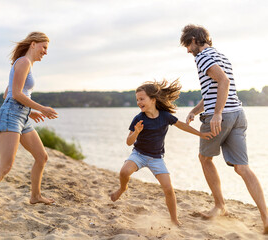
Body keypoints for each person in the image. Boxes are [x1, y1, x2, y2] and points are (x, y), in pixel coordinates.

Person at [180, 24, 268, 234]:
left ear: (194, 40)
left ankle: (220, 205)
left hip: (221, 117)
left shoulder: (202, 57)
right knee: (242, 167)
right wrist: (195, 109)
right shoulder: (220, 55)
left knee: (205, 158)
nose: (187, 50)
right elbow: (215, 88)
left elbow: (224, 81)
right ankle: (265, 217)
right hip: (238, 114)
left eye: (187, 45)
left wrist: (217, 113)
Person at [0, 32, 58, 219]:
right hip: (11, 115)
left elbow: (8, 93)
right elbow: (17, 94)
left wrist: (29, 111)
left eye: (47, 49)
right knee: (6, 165)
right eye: (44, 47)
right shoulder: (23, 62)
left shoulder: (25, 64)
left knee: (41, 157)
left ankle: (35, 196)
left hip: (21, 115)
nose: (45, 52)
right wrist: (41, 108)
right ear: (33, 44)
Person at [110, 79, 213, 226]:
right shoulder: (138, 119)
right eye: (137, 100)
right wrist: (136, 132)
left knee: (169, 189)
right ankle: (122, 188)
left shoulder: (165, 116)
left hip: (156, 158)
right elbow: (129, 142)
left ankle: (174, 219)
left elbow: (182, 126)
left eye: (142, 99)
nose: (139, 102)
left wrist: (201, 134)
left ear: (153, 99)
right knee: (124, 172)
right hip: (139, 154)